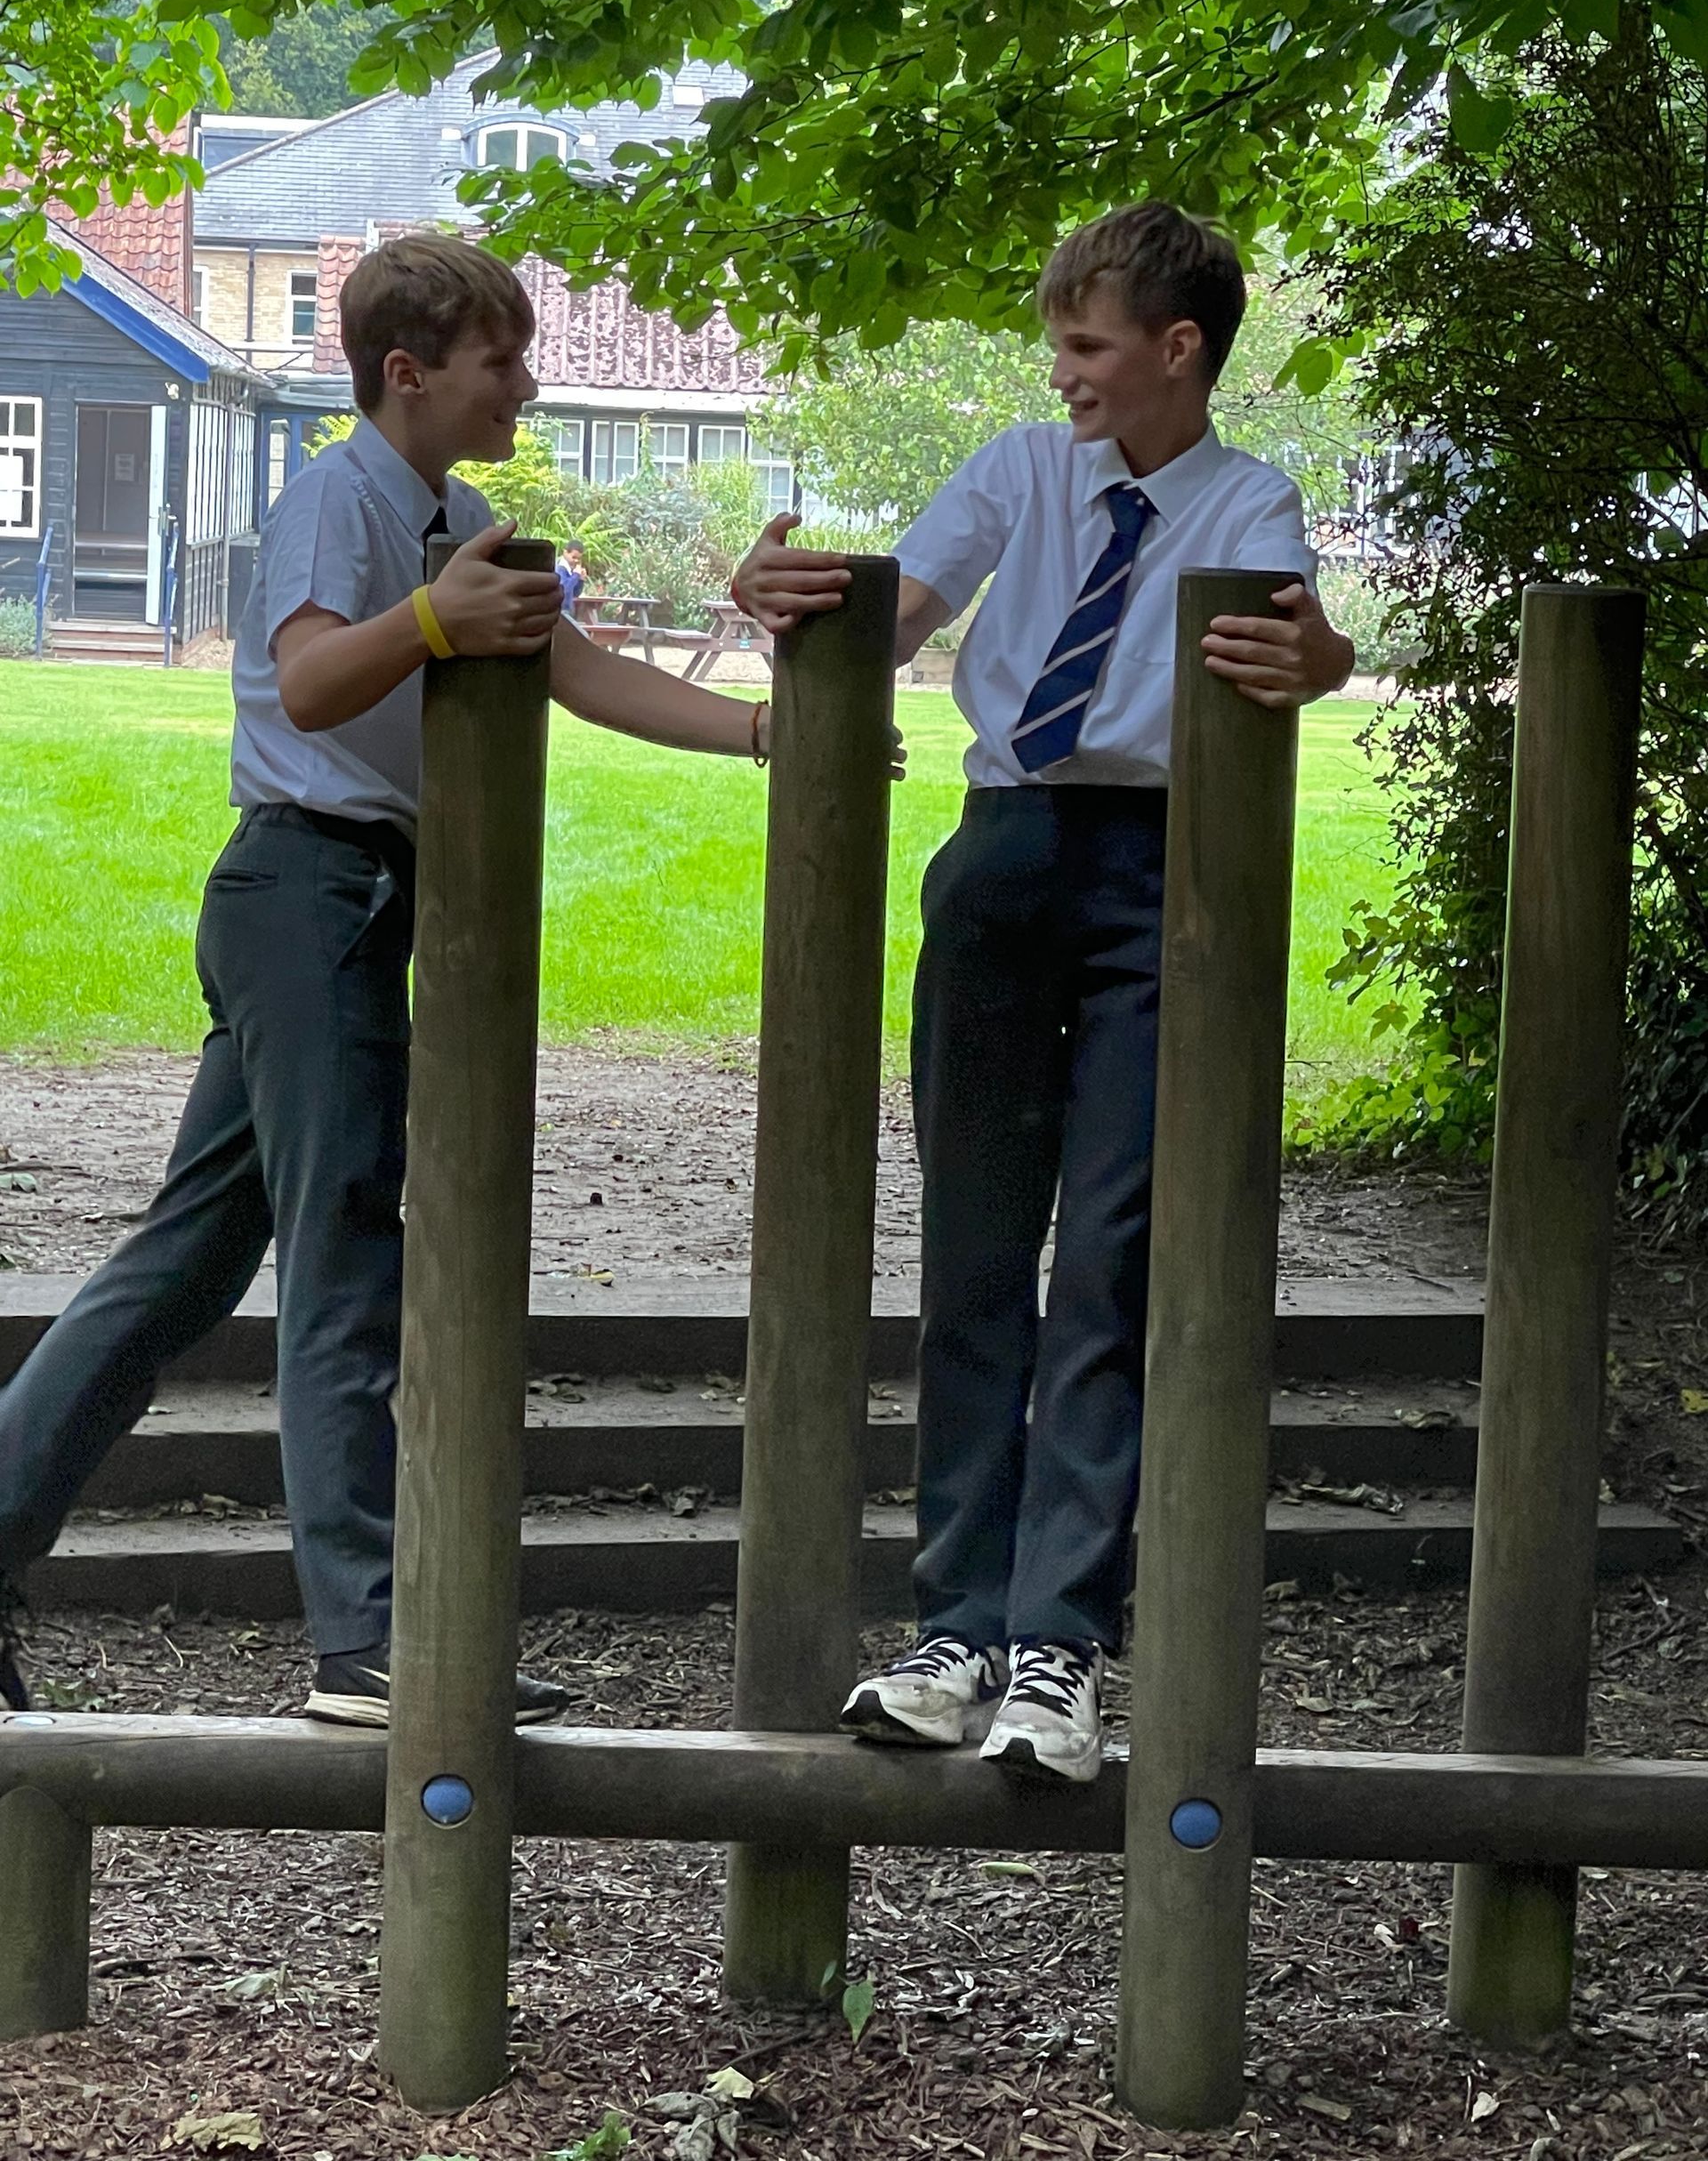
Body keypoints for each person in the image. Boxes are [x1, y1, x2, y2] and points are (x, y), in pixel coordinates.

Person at [0, 234, 776, 1728]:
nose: (527, 385)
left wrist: (758, 735)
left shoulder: (458, 513)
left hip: (339, 902)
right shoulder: (334, 501)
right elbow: (304, 678)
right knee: (347, 1260)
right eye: (503, 361)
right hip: (310, 892)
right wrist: (430, 622)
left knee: (185, 1262)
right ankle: (371, 1635)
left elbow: (574, 666)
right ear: (408, 374)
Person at [732, 202, 1355, 1785]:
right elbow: (900, 613)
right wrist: (795, 597)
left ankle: (1059, 1653)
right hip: (1005, 856)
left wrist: (1324, 664)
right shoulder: (1018, 471)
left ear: (1176, 348)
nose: (1065, 374)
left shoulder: (1248, 496)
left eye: (1087, 346)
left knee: (1113, 1266)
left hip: (1161, 883)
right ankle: (953, 1631)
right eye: (1058, 347)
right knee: (978, 1250)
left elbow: (1294, 639)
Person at [556, 538, 588, 617]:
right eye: (574, 557)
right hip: (560, 611)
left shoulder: (570, 569)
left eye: (578, 558)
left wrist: (581, 580)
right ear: (565, 552)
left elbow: (575, 593)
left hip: (568, 610)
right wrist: (576, 575)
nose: (576, 561)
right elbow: (564, 589)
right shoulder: (560, 568)